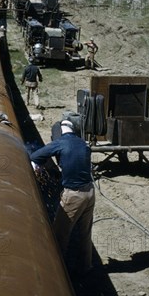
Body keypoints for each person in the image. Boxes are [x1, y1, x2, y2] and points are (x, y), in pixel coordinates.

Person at [30, 118, 95, 275]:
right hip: (90, 193)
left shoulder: (60, 143)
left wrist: (49, 168)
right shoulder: (83, 143)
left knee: (59, 235)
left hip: (74, 195)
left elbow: (35, 156)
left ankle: (58, 273)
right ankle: (86, 268)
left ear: (59, 132)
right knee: (85, 233)